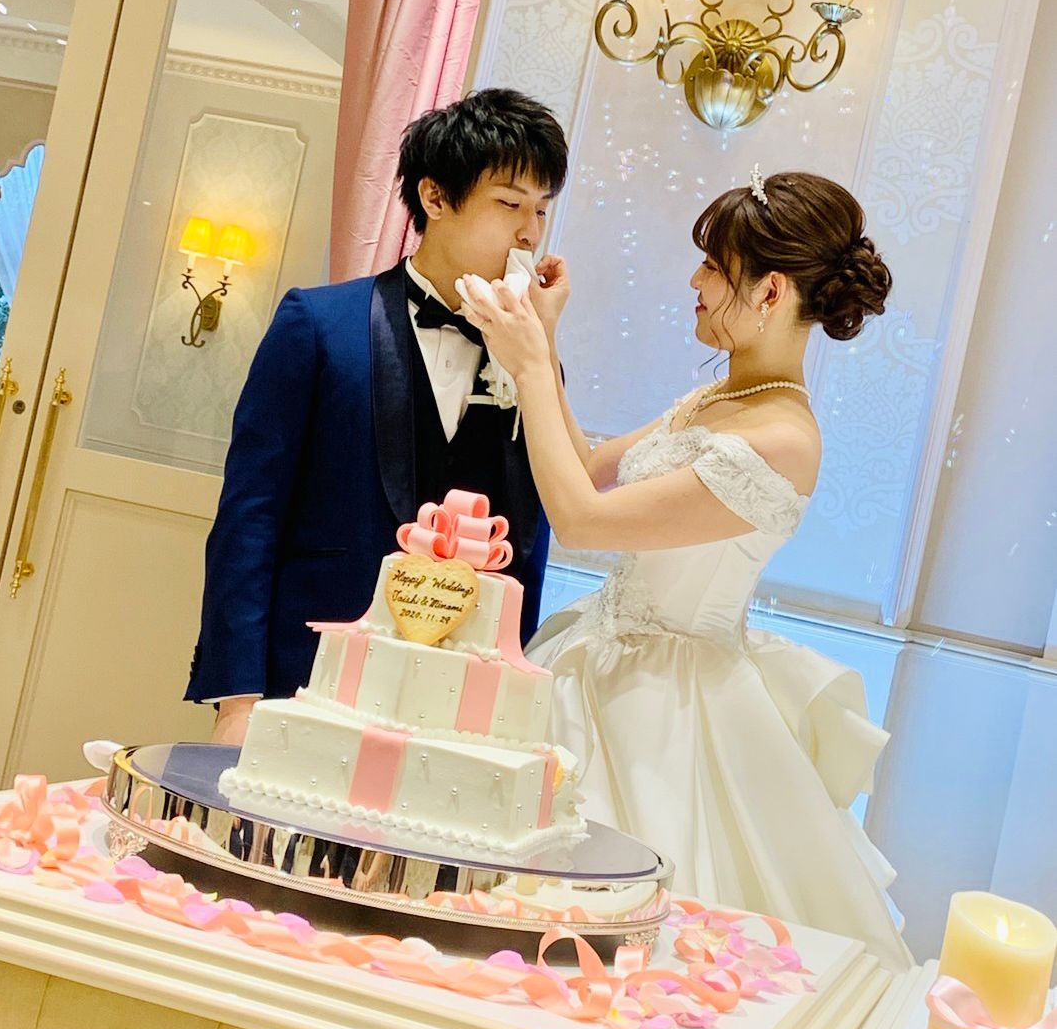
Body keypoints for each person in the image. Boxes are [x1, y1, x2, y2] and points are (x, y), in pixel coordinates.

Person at [458, 168, 914, 971]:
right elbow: (590, 468)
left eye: (712, 266)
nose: (695, 283)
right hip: (591, 660)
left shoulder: (782, 439)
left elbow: (580, 520)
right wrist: (546, 343)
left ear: (770, 290)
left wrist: (527, 368)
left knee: (621, 937)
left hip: (666, 708)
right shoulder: (718, 399)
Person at [185, 88, 570, 744]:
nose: (530, 233)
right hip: (305, 676)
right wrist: (237, 698)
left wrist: (507, 704)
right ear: (435, 198)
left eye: (542, 208)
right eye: (510, 204)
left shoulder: (533, 359)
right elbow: (250, 519)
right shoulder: (317, 324)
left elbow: (528, 545)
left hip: (455, 708)